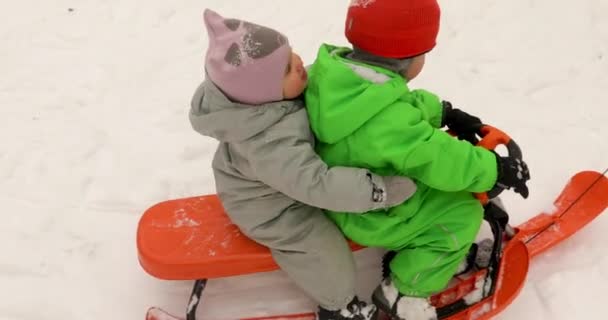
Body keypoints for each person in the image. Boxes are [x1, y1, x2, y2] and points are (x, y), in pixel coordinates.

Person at [304, 1, 531, 319]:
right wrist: (495, 170)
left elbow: (398, 101)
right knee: (460, 215)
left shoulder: (337, 77)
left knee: (444, 190)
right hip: (369, 211)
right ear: (406, 58)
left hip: (347, 185)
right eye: (423, 53)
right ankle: (403, 290)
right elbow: (438, 158)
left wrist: (444, 112)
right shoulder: (390, 122)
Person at [189, 9, 419, 320]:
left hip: (283, 180)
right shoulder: (268, 145)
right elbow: (316, 184)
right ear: (264, 94)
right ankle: (338, 305)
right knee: (322, 249)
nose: (298, 62)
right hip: (271, 209)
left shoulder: (270, 97)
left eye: (290, 52)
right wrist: (377, 192)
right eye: (286, 68)